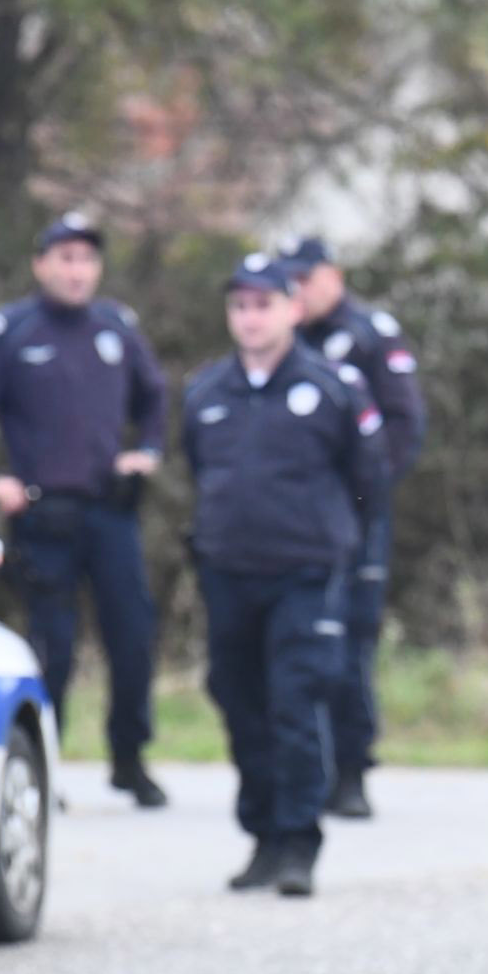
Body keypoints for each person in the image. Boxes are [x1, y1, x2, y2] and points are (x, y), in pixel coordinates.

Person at [0, 211, 170, 808]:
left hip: (110, 511)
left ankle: (129, 758)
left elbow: (156, 399)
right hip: (44, 517)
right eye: (63, 257)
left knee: (133, 636)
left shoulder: (116, 327)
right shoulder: (10, 331)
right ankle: (46, 766)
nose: (75, 270)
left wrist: (146, 451)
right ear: (41, 264)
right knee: (52, 648)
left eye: (86, 258)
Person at [183, 253, 389, 897]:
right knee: (240, 702)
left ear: (292, 310)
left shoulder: (332, 388)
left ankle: (300, 840)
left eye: (263, 304)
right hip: (228, 571)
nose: (250, 318)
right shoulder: (206, 392)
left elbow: (369, 479)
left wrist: (339, 540)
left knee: (295, 701)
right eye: (240, 306)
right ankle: (264, 835)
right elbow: (198, 467)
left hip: (307, 572)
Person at [279, 236, 428, 820]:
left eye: (305, 279)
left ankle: (352, 769)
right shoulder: (284, 339)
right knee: (303, 641)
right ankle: (304, 767)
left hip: (357, 515)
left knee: (353, 639)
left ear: (332, 276)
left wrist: (356, 499)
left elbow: (402, 428)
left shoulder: (368, 334)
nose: (296, 291)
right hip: (297, 519)